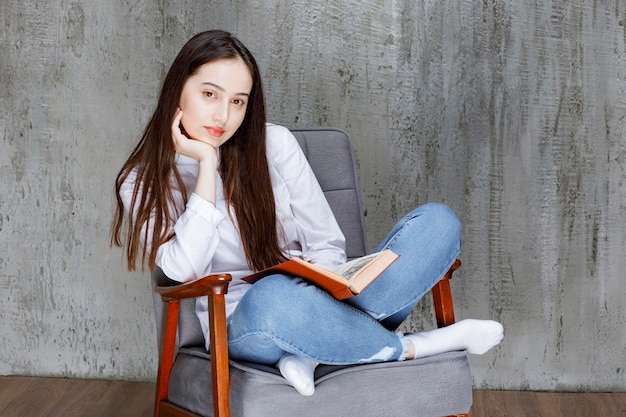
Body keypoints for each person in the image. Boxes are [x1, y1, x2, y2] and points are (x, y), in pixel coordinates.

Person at [112, 30, 504, 397]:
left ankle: (312, 351)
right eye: (210, 94)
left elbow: (326, 242)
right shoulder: (140, 179)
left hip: (325, 301)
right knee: (275, 296)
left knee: (438, 222)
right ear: (178, 89)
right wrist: (207, 166)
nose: (223, 116)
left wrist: (324, 295)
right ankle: (418, 345)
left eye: (237, 102)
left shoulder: (275, 144)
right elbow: (183, 269)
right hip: (247, 323)